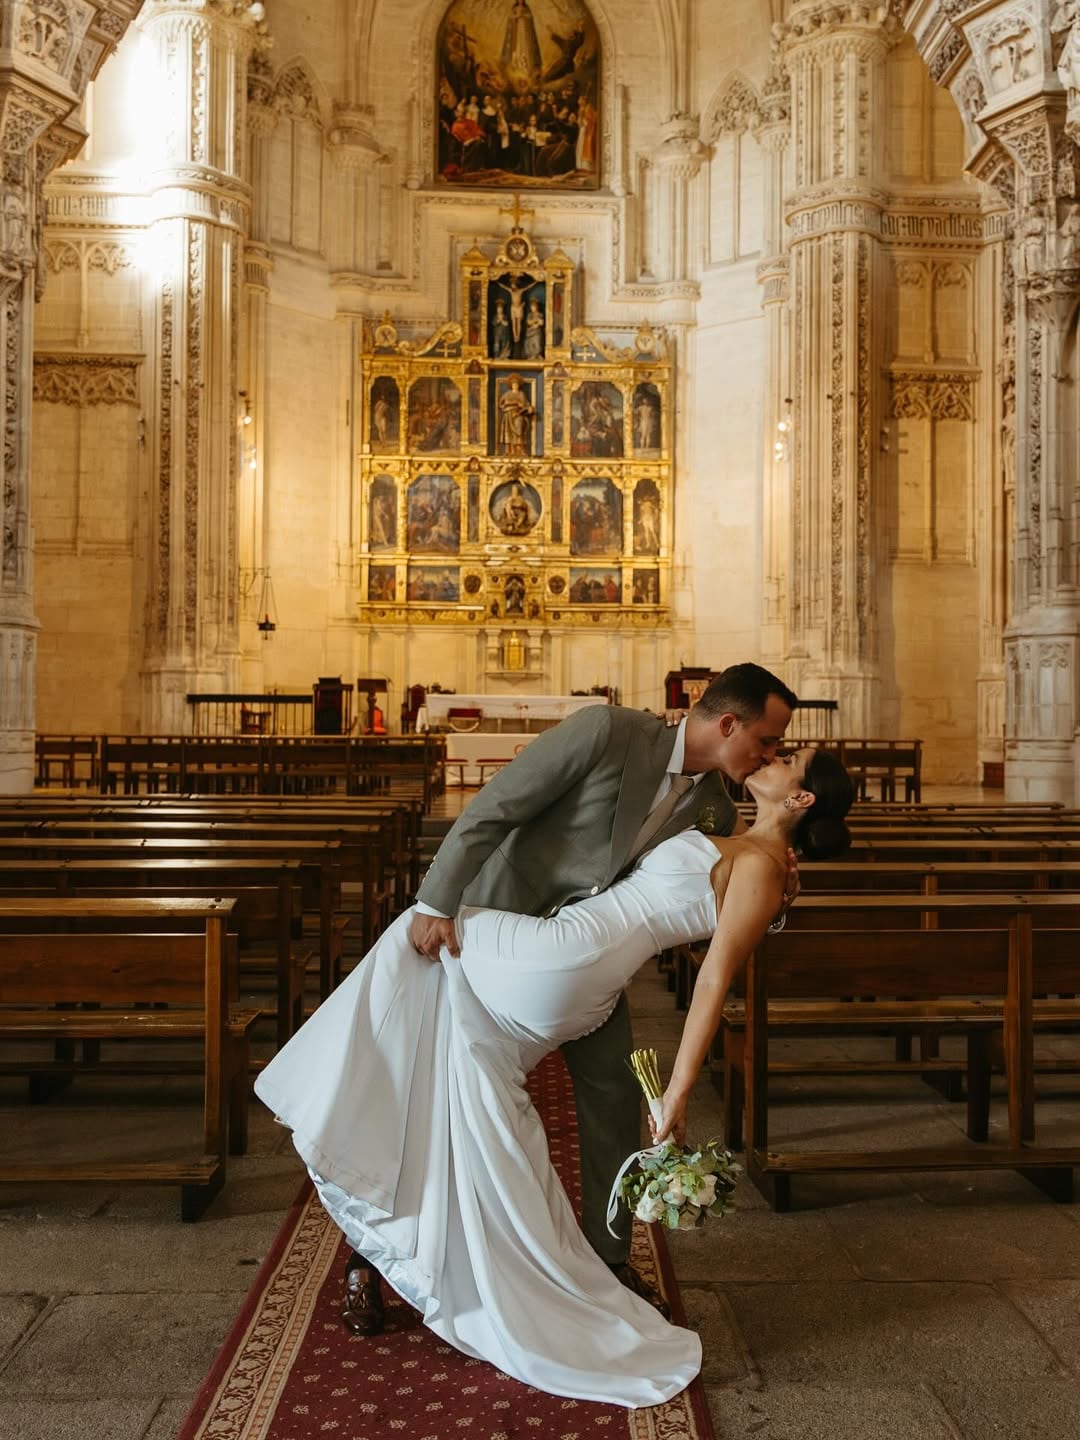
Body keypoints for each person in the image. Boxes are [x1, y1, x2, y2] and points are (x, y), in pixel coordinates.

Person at [255, 743, 854, 1407]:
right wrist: (779, 892)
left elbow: (714, 979)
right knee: (457, 1078)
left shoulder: (763, 866)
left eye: (788, 759)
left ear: (801, 798)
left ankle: (320, 1103)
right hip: (577, 962)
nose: (771, 756)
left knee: (420, 928)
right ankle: (450, 1243)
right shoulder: (745, 841)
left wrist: (676, 1092)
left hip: (573, 956)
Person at [405, 665, 797, 1306]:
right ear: (728, 724)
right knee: (431, 1086)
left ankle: (609, 1264)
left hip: (585, 962)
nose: (771, 754)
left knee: (614, 1096)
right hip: (496, 925)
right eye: (766, 740)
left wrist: (778, 892)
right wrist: (436, 900)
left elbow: (710, 912)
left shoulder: (718, 810)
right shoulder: (607, 731)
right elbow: (500, 803)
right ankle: (375, 1259)